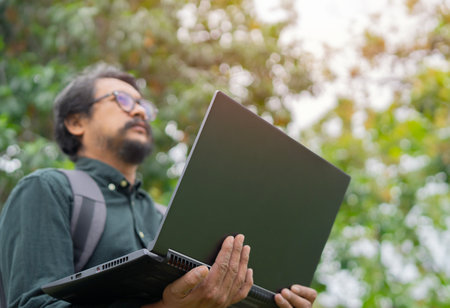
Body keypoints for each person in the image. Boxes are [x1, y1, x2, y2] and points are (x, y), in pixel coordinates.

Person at [0, 65, 317, 308]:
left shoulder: (167, 219)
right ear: (76, 122)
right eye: (122, 100)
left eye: (144, 106)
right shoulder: (48, 189)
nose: (139, 111)